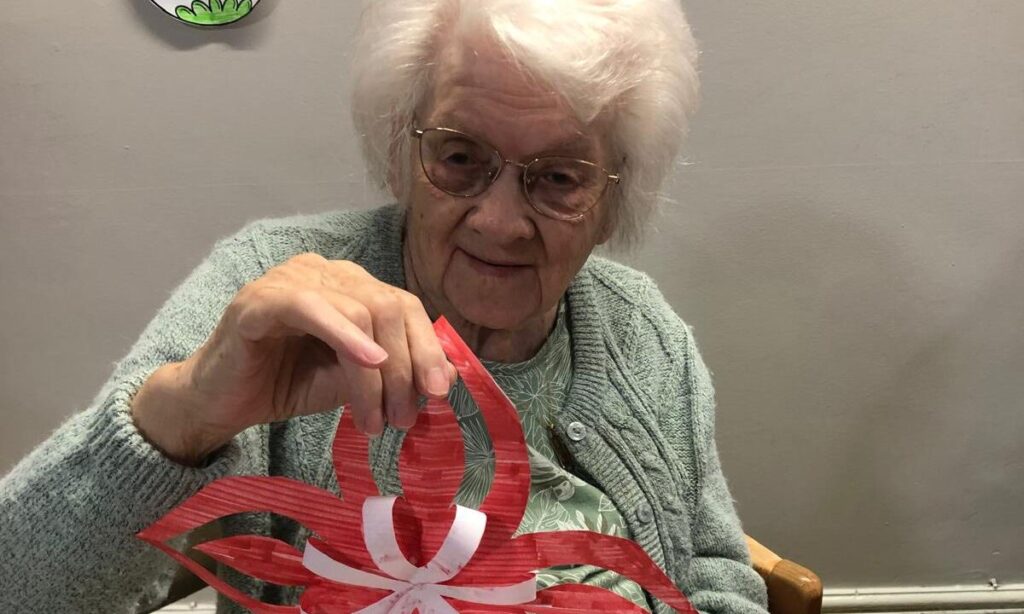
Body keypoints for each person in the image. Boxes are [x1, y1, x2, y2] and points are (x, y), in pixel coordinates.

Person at [0, 1, 770, 612]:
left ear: (613, 200)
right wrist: (187, 417)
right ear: (401, 150)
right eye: (460, 157)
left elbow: (712, 571)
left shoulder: (646, 333)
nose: (500, 221)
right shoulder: (272, 294)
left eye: (560, 177)